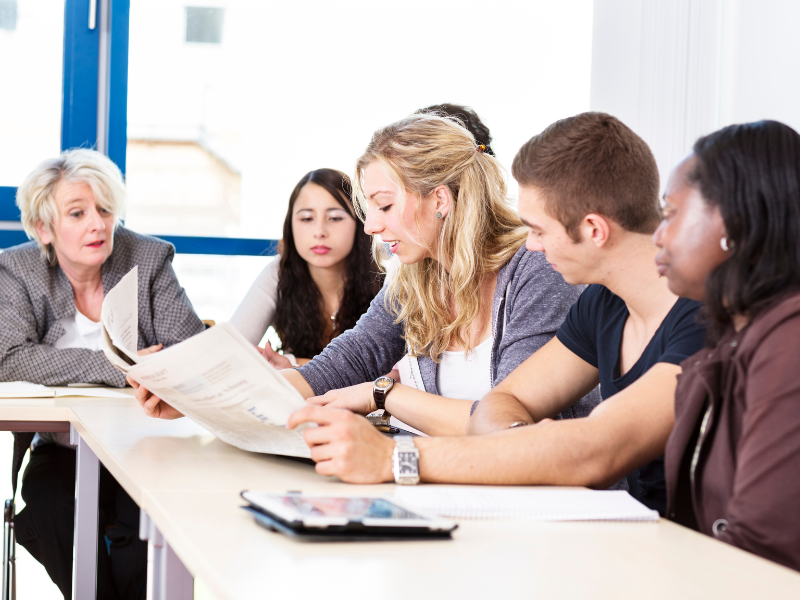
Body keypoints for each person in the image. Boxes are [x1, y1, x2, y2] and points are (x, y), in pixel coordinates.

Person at [285, 112, 706, 514]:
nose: (532, 245)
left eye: (538, 231)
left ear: (594, 230)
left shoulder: (703, 317)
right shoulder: (603, 305)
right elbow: (505, 403)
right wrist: (518, 451)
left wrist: (395, 451)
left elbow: (593, 450)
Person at [135, 113, 599, 439]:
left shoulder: (536, 270)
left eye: (384, 205)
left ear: (440, 200)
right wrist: (200, 403)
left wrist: (384, 396)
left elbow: (509, 425)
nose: (371, 226)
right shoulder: (415, 276)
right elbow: (338, 367)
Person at [0, 148, 205, 599]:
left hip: (147, 443)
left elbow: (186, 353)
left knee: (143, 532)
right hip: (60, 449)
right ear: (44, 228)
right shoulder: (16, 270)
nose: (98, 223)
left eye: (105, 209)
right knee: (51, 512)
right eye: (78, 213)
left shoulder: (147, 258)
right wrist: (121, 365)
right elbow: (9, 358)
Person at [657, 120, 800, 571]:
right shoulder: (735, 340)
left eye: (670, 213)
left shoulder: (789, 339)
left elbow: (761, 546)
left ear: (734, 220)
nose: (658, 237)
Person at [229, 168, 383, 367]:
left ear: (360, 223)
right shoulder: (278, 274)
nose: (319, 231)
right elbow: (231, 351)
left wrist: (293, 364)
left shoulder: (385, 283)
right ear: (290, 226)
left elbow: (391, 371)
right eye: (307, 219)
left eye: (335, 218)